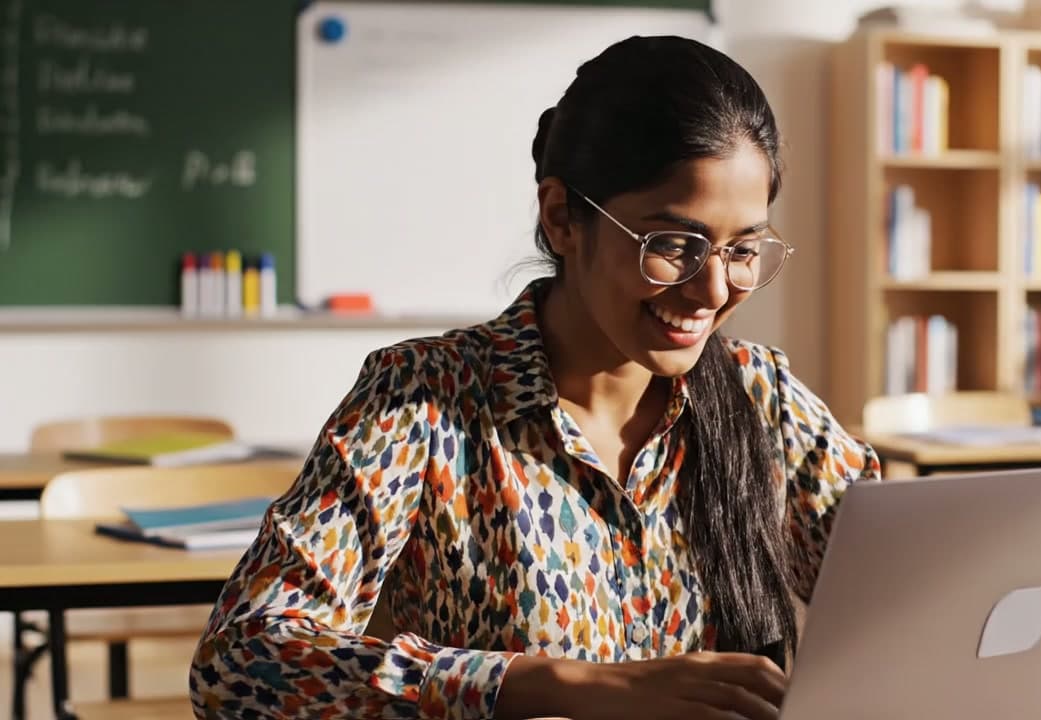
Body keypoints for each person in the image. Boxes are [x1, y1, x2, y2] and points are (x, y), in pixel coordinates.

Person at [190, 34, 879, 720]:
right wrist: (556, 685)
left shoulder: (763, 398)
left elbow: (909, 590)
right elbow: (241, 662)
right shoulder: (424, 400)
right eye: (673, 245)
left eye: (743, 249)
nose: (713, 289)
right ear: (561, 219)